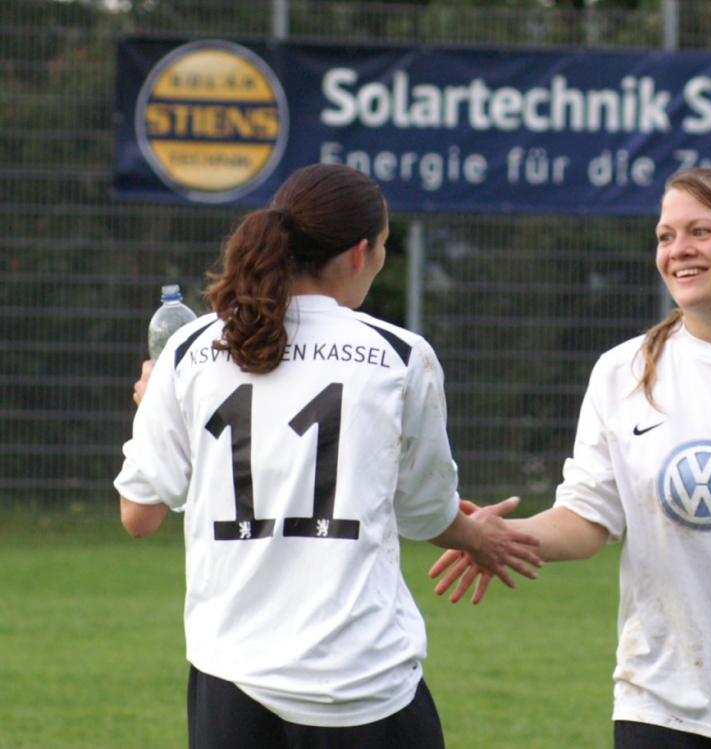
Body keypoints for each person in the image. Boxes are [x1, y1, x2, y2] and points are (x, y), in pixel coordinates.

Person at [432, 167, 711, 749]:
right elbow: (587, 518)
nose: (679, 251)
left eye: (700, 231)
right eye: (665, 235)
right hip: (657, 705)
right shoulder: (621, 373)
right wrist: (499, 535)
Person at [115, 163, 541, 749]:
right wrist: (478, 537)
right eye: (387, 247)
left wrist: (150, 407)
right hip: (361, 683)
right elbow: (425, 515)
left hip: (229, 686)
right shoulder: (398, 356)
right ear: (361, 252)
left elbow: (139, 516)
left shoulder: (191, 348)